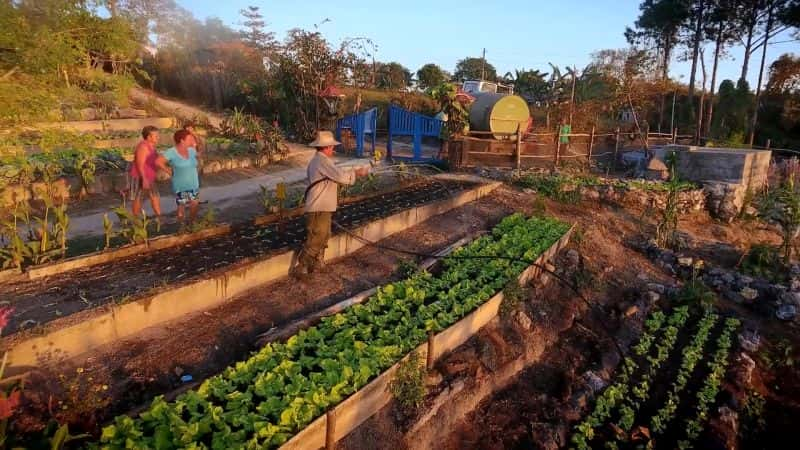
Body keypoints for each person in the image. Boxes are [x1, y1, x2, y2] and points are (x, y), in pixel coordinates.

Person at [291, 130, 368, 280]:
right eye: (331, 146)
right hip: (318, 205)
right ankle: (301, 267)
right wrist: (357, 173)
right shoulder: (322, 161)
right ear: (325, 147)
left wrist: (351, 172)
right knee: (318, 235)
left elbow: (336, 173)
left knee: (324, 234)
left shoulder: (321, 161)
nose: (333, 149)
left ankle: (315, 263)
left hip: (323, 205)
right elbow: (340, 176)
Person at [129, 126, 169, 218]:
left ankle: (159, 216)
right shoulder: (143, 147)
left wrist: (167, 169)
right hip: (140, 176)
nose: (158, 137)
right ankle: (135, 218)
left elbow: (157, 161)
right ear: (148, 137)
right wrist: (144, 179)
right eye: (156, 136)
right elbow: (140, 164)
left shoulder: (151, 147)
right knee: (138, 197)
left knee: (154, 195)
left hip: (149, 177)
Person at [163, 130, 201, 223]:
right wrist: (169, 171)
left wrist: (195, 138)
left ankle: (192, 223)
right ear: (182, 141)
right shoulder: (171, 152)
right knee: (182, 206)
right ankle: (182, 227)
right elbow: (158, 162)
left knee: (194, 204)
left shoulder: (191, 150)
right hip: (181, 185)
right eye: (189, 139)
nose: (191, 140)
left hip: (193, 183)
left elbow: (199, 153)